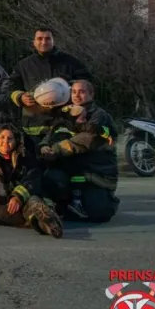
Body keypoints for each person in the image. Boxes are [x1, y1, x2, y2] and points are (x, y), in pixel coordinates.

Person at [39, 80, 119, 222]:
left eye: (82, 92)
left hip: (95, 172)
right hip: (71, 170)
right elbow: (51, 133)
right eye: (74, 92)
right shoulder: (65, 112)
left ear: (91, 94)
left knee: (100, 214)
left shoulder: (99, 115)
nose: (77, 96)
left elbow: (88, 138)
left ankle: (103, 201)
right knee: (52, 177)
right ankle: (65, 205)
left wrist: (56, 149)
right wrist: (44, 147)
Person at [0, 125, 63, 238]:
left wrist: (18, 197)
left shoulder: (25, 157)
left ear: (16, 141)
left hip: (21, 200)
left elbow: (33, 179)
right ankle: (38, 218)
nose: (5, 141)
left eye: (10, 138)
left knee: (33, 199)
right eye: (2, 137)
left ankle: (44, 219)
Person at [4, 28, 90, 139]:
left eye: (48, 38)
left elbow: (87, 83)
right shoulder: (23, 65)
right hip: (35, 127)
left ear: (53, 41)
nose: (44, 42)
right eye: (40, 39)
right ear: (34, 42)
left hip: (65, 124)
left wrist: (68, 89)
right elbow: (9, 87)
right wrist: (20, 97)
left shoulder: (70, 62)